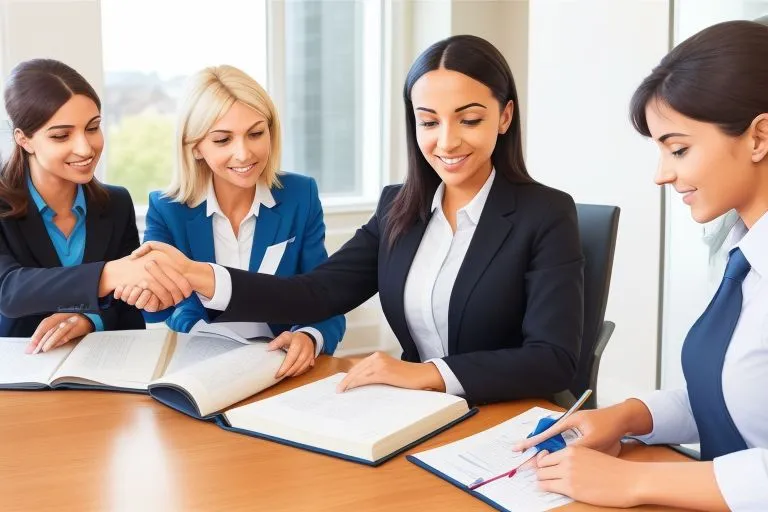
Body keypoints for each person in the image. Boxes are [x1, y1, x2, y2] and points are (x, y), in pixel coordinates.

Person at [122, 35, 584, 404]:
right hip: (412, 407)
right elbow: (315, 293)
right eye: (428, 121)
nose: (446, 141)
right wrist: (202, 276)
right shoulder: (398, 208)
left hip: (506, 411)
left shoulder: (546, 213)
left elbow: (553, 360)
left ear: (504, 117)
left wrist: (425, 374)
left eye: (469, 119)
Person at [515, 20, 768, 511]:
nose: (662, 174)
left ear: (760, 136)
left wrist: (632, 483)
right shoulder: (744, 254)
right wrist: (629, 416)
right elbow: (745, 403)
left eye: (678, 149)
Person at [140, 65, 345, 377]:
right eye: (223, 140)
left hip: (280, 367)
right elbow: (161, 310)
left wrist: (309, 336)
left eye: (255, 133)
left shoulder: (300, 196)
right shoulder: (167, 208)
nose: (244, 153)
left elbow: (326, 296)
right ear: (195, 147)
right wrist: (153, 296)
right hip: (202, 368)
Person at [0, 59, 189, 354]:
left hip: (100, 373)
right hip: (19, 379)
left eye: (92, 128)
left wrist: (89, 320)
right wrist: (112, 274)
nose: (85, 148)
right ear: (24, 139)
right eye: (61, 135)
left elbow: (128, 312)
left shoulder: (116, 204)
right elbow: (9, 291)